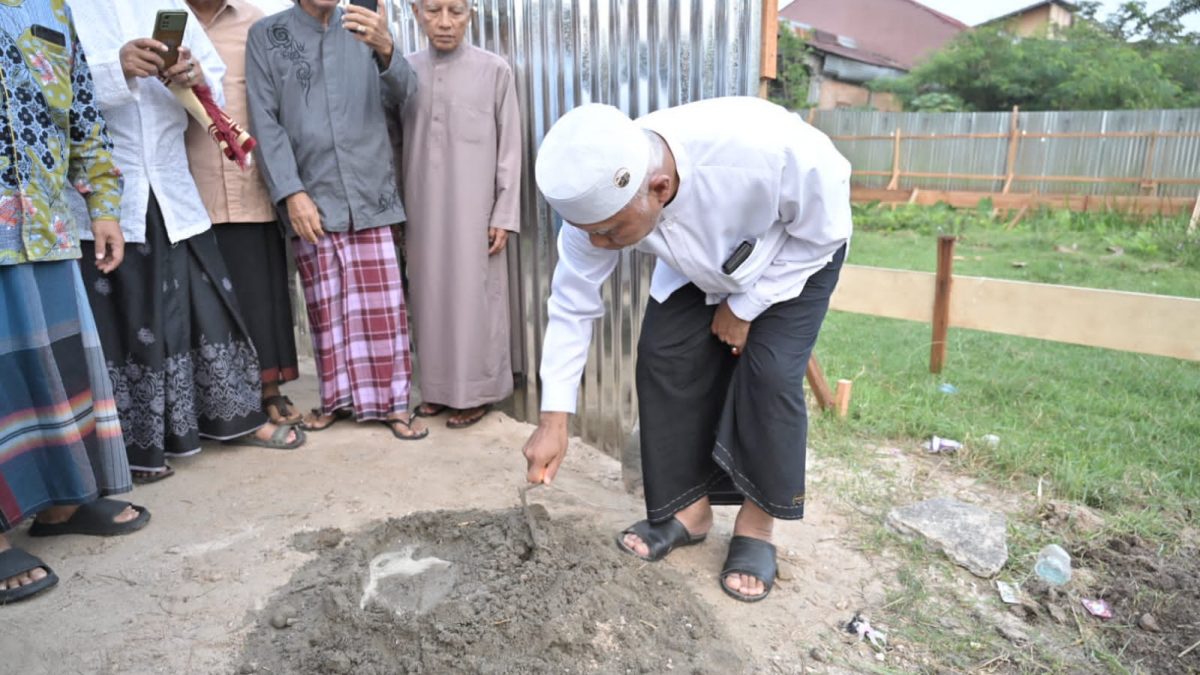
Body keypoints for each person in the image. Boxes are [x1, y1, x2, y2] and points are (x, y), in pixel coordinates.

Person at [522, 98, 852, 602]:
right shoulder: (597, 211)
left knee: (769, 374)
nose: (602, 246)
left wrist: (746, 308)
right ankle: (688, 511)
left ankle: (757, 526)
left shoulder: (761, 154)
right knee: (663, 355)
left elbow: (823, 234)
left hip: (794, 252)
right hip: (701, 259)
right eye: (592, 235)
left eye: (612, 234)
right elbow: (571, 307)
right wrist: (553, 420)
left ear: (658, 188)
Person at [69, 0, 305, 485]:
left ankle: (233, 419)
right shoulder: (65, 8)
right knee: (127, 318)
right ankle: (137, 448)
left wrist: (188, 72)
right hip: (108, 190)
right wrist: (116, 69)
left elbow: (212, 84)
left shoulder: (166, 4)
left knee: (206, 303)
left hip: (173, 185)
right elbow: (51, 93)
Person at [1, 0, 151, 604]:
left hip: (46, 226)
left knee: (56, 371)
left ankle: (62, 502)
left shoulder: (49, 8)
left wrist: (104, 207)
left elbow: (83, 116)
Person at [246, 0, 427, 441]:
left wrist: (387, 50)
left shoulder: (364, 28)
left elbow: (408, 95)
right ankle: (335, 401)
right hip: (313, 194)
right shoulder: (267, 36)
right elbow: (264, 121)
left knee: (384, 310)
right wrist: (291, 192)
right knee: (327, 309)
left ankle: (393, 405)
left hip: (370, 190)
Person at [400, 0, 522, 429]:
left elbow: (510, 147)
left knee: (475, 298)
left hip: (476, 209)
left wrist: (504, 212)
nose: (445, 22)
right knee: (430, 295)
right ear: (415, 11)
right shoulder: (404, 72)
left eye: (456, 10)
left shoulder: (495, 70)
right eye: (434, 10)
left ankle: (477, 392)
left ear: (471, 12)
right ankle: (436, 389)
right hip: (421, 206)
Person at [183, 0, 302, 427]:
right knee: (205, 301)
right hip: (189, 183)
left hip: (249, 178)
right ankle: (215, 398)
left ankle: (267, 389)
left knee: (260, 292)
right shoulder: (161, 19)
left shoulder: (258, 23)